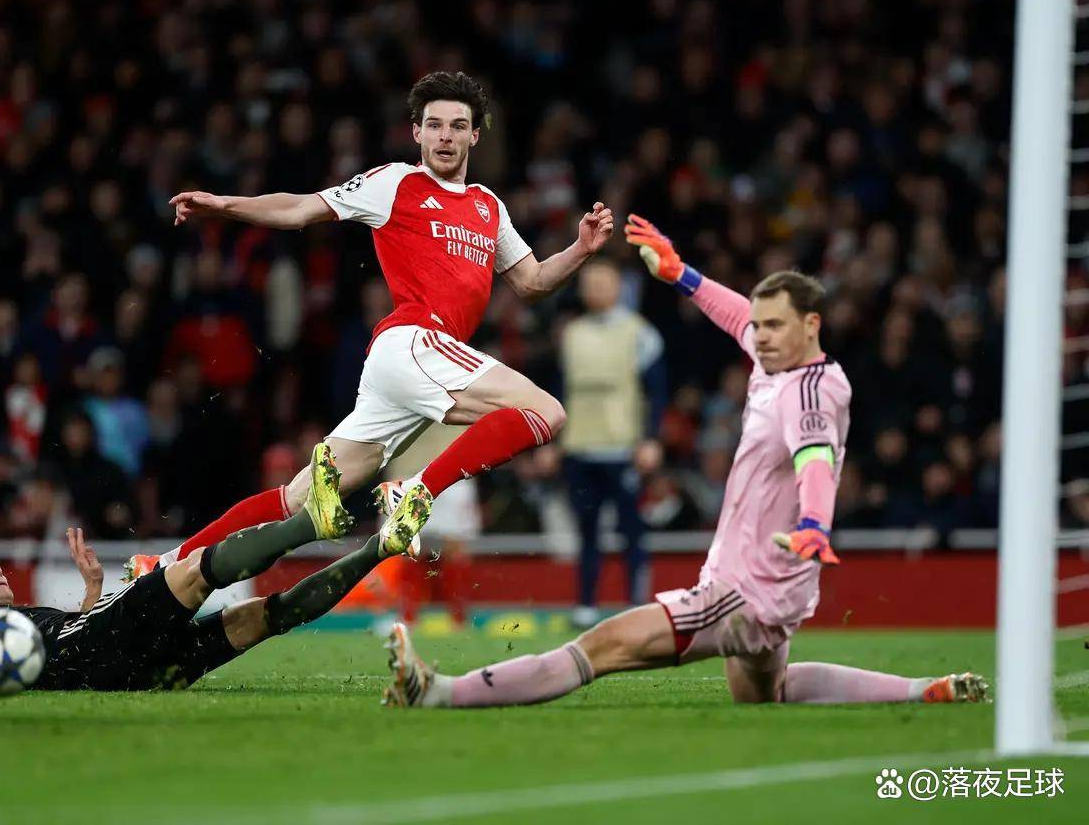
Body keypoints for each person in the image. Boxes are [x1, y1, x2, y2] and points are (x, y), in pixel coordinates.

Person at [380, 216, 987, 708]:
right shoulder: (785, 358)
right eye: (760, 325)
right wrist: (681, 275)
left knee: (599, 647)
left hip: (744, 589)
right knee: (765, 691)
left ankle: (439, 692)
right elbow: (737, 316)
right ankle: (921, 691)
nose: (760, 335)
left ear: (812, 325)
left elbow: (816, 461)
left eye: (774, 326)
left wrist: (814, 524)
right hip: (778, 590)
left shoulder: (808, 392)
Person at [127, 71, 613, 578]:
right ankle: (416, 490)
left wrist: (580, 249)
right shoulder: (395, 183)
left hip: (411, 368)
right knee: (547, 411)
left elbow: (532, 281)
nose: (445, 136)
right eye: (434, 125)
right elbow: (301, 208)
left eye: (457, 126)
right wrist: (226, 204)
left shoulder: (488, 206)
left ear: (474, 136)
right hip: (414, 342)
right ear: (417, 133)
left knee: (299, 498)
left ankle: (162, 564)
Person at [0, 445, 407, 691]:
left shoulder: (12, 625)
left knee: (256, 617)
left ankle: (379, 547)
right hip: (95, 650)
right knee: (192, 569)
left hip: (124, 670)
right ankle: (312, 521)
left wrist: (92, 591)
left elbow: (68, 647)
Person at [559, 259, 666, 626]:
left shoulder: (641, 333)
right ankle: (586, 604)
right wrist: (555, 439)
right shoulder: (572, 334)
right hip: (580, 446)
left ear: (619, 287)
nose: (595, 290)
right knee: (586, 530)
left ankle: (636, 604)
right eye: (589, 284)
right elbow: (563, 389)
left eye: (603, 283)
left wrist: (651, 438)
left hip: (624, 446)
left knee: (631, 530)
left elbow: (656, 391)